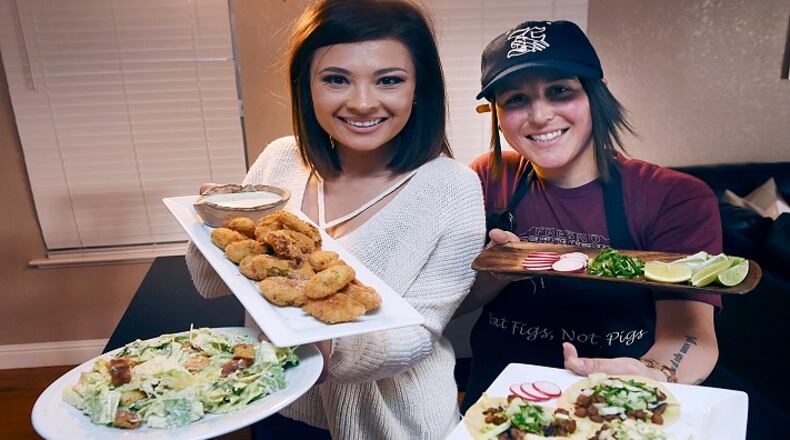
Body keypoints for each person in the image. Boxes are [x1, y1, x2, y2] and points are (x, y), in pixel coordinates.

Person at [186, 0, 485, 438]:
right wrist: (214, 221)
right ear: (305, 86)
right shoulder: (280, 159)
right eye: (336, 79)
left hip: (396, 424)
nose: (362, 103)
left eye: (388, 80)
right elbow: (213, 284)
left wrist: (326, 353)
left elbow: (421, 333)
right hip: (279, 402)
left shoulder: (452, 188)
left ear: (419, 87)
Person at [457, 20, 722, 412]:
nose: (539, 115)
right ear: (496, 112)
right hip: (496, 401)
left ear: (596, 94)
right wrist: (495, 275)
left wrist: (653, 373)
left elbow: (692, 336)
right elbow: (453, 305)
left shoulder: (674, 197)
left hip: (615, 404)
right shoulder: (488, 177)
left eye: (560, 91)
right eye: (515, 99)